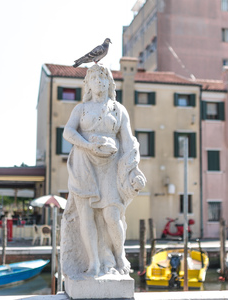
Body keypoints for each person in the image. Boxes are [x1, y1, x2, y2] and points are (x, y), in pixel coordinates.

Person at [61, 64, 146, 279]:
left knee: (112, 214)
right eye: (94, 79)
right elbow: (68, 132)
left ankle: (119, 254)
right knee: (86, 215)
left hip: (110, 166)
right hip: (83, 163)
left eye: (103, 79)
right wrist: (87, 145)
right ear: (88, 84)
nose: (99, 82)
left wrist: (133, 169)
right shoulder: (80, 109)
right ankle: (94, 263)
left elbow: (128, 141)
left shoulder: (118, 109)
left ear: (109, 83)